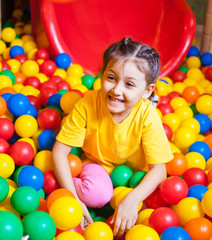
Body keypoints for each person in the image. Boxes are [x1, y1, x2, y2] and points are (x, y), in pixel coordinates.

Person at [52, 37, 173, 237]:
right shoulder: (87, 104)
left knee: (151, 213)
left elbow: (159, 170)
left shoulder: (148, 116)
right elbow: (59, 153)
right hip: (97, 166)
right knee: (98, 194)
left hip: (133, 178)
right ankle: (72, 183)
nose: (116, 90)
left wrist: (132, 199)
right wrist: (73, 198)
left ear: (147, 91)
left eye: (129, 84)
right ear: (101, 75)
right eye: (111, 78)